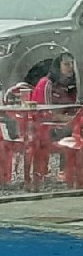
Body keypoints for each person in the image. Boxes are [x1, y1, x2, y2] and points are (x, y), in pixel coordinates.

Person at [31, 50, 79, 181]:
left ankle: (75, 169)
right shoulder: (47, 83)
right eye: (66, 64)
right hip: (44, 127)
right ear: (58, 66)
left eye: (72, 64)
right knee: (72, 131)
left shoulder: (69, 85)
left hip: (62, 123)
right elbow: (48, 113)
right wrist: (71, 119)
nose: (70, 68)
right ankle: (65, 171)